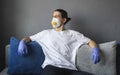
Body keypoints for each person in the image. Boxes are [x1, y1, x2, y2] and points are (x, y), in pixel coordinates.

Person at [18, 9, 100, 75]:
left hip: (70, 69)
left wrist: (96, 49)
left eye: (56, 16)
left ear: (64, 20)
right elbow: (29, 38)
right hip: (52, 67)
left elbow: (90, 41)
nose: (54, 19)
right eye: (53, 16)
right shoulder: (46, 33)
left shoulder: (73, 34)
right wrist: (22, 42)